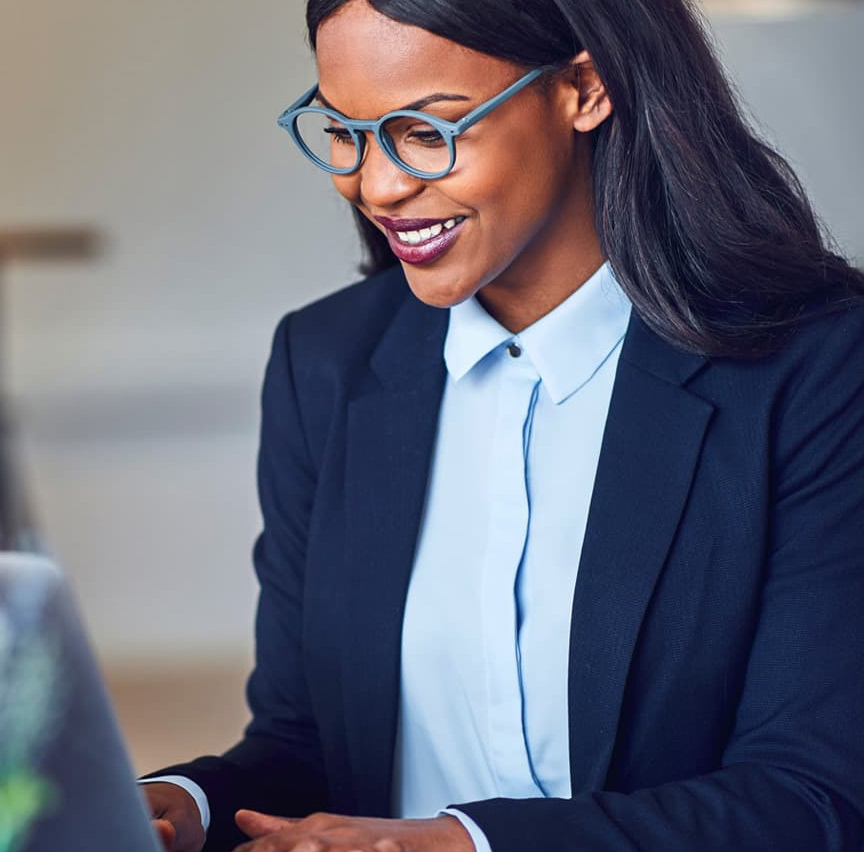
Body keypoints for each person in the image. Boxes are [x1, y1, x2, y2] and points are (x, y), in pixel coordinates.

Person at [141, 1, 864, 850]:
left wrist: (462, 843)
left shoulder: (813, 366)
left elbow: (812, 799)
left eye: (424, 131)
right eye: (344, 131)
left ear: (585, 88)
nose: (377, 185)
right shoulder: (325, 362)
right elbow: (308, 744)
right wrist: (177, 804)